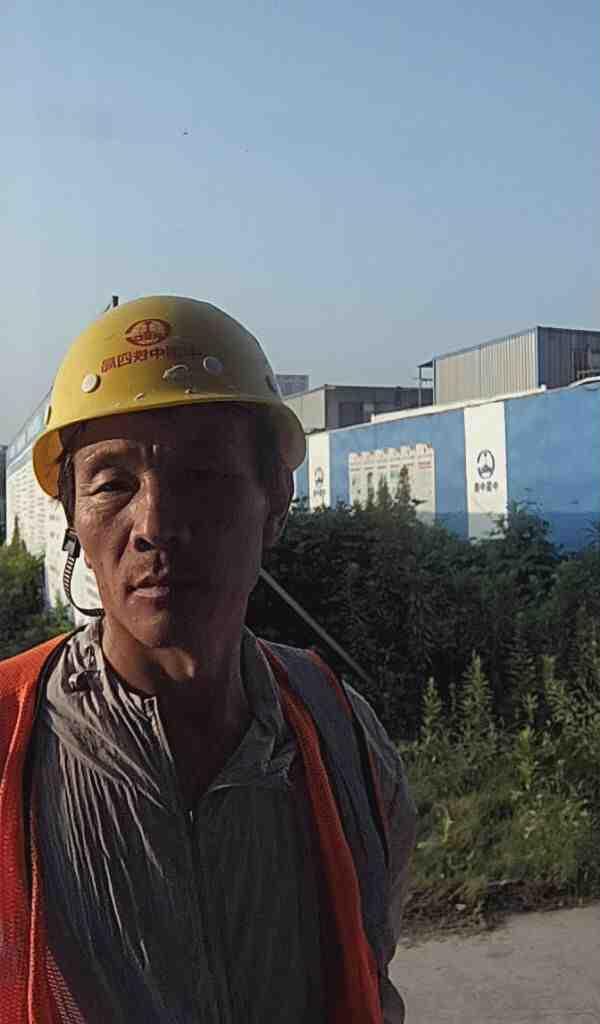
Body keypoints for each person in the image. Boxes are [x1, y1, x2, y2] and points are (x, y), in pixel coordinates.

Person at [0, 295, 417, 1023]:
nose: (156, 523)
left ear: (275, 499)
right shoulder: (10, 741)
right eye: (112, 483)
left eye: (203, 475)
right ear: (73, 517)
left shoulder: (343, 740)